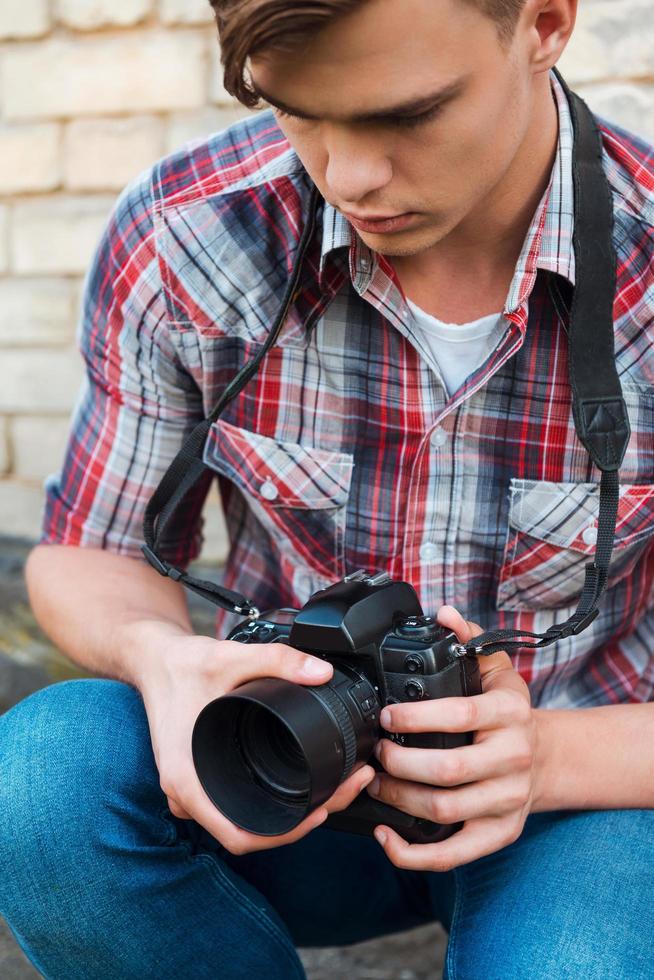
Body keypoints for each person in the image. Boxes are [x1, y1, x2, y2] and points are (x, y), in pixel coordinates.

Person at [1, 0, 653, 976]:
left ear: (547, 22)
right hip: (277, 759)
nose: (348, 178)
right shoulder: (194, 232)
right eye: (298, 112)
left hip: (581, 793)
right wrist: (161, 656)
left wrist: (544, 758)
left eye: (406, 115)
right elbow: (91, 545)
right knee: (39, 784)